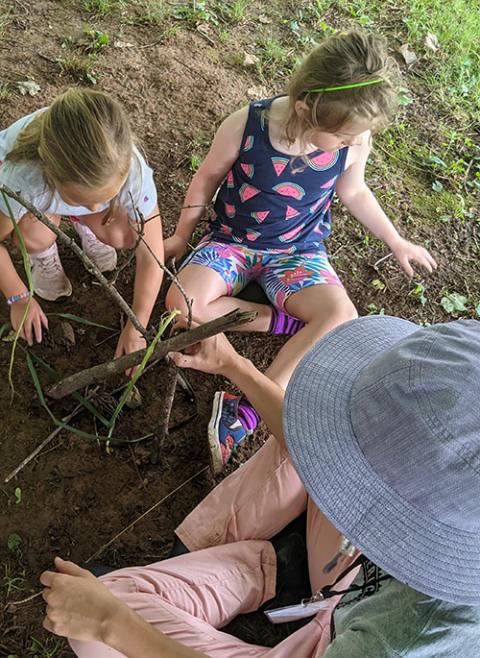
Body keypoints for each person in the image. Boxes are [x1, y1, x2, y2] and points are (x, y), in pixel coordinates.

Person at [41, 315, 480, 657]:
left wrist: (111, 624)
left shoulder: (412, 640)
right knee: (313, 442)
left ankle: (239, 569)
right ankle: (259, 565)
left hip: (335, 633)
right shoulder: (459, 496)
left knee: (100, 629)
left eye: (360, 470)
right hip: (353, 574)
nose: (340, 472)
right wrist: (234, 365)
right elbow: (309, 440)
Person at [164, 31, 437, 470]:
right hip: (232, 242)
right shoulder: (247, 124)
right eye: (344, 136)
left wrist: (395, 239)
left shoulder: (353, 140)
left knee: (341, 315)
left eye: (358, 136)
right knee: (181, 307)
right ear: (306, 110)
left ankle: (248, 408)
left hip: (297, 251)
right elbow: (206, 180)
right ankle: (285, 320)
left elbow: (355, 191)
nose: (353, 143)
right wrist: (181, 235)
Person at [0, 88, 164, 360]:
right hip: (36, 201)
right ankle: (42, 252)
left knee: (125, 233)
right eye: (80, 200)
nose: (92, 208)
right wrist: (18, 296)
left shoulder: (129, 168)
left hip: (58, 190)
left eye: (102, 199)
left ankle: (84, 226)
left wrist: (138, 325)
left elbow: (152, 253)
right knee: (34, 233)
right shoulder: (23, 180)